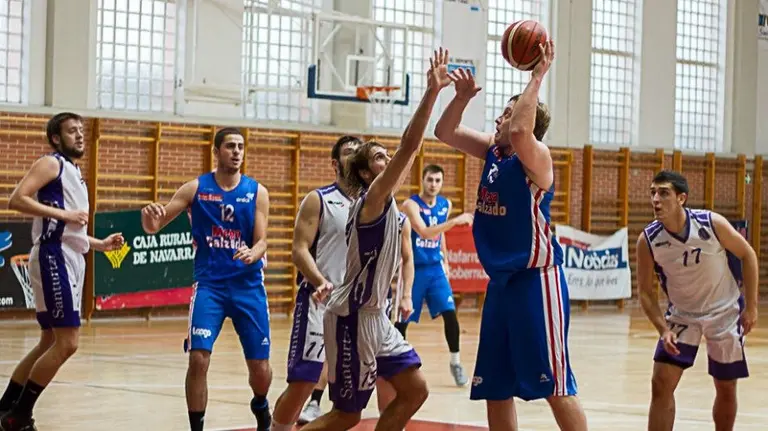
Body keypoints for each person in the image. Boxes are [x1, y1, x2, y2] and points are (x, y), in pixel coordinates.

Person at [434, 41, 588, 430]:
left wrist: (538, 74)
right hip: (501, 284)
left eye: (508, 112)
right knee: (495, 386)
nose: (502, 118)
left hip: (536, 282)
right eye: (503, 111)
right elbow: (444, 130)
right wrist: (462, 97)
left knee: (554, 384)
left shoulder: (537, 159)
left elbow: (521, 130)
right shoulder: (492, 151)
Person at [300, 47, 453, 431]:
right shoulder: (372, 199)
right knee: (347, 414)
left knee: (415, 390)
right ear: (369, 174)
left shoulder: (389, 207)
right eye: (381, 157)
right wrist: (432, 93)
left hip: (377, 316)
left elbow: (403, 254)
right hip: (352, 317)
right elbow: (411, 145)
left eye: (387, 156)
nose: (390, 161)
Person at [139, 128, 273, 431]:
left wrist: (253, 252)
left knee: (260, 369)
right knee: (198, 359)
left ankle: (261, 403)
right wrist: (149, 218)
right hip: (210, 287)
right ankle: (196, 426)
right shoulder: (195, 188)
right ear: (217, 151)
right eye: (230, 146)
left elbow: (262, 240)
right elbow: (154, 225)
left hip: (248, 286)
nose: (237, 151)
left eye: (240, 146)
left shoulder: (257, 192)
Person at [0, 112, 125, 431]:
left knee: (48, 341)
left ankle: (5, 407)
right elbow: (18, 199)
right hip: (54, 257)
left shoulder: (73, 172)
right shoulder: (51, 163)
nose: (80, 135)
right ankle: (19, 416)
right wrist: (65, 212)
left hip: (68, 254)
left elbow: (69, 229)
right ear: (56, 138)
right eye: (72, 131)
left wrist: (100, 244)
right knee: (68, 343)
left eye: (81, 130)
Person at [636, 170, 758, 431]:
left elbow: (748, 255)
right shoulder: (648, 240)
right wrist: (663, 329)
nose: (656, 199)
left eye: (664, 193)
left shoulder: (712, 224)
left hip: (724, 311)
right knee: (660, 384)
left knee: (725, 386)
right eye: (653, 193)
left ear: (681, 198)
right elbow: (645, 292)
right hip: (682, 315)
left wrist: (752, 307)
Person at [270, 135, 362, 430]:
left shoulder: (374, 203)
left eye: (360, 152)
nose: (355, 156)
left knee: (351, 398)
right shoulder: (318, 199)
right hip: (319, 302)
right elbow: (298, 250)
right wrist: (320, 281)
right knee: (303, 382)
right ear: (335, 163)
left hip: (357, 307)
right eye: (349, 152)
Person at [398, 164, 474, 386]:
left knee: (450, 313)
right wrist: (454, 222)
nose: (433, 185)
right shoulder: (410, 205)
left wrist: (446, 260)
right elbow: (423, 231)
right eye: (430, 180)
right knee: (404, 319)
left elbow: (439, 235)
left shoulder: (445, 204)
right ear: (423, 180)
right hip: (413, 268)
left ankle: (456, 362)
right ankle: (398, 365)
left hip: (435, 269)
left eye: (437, 181)